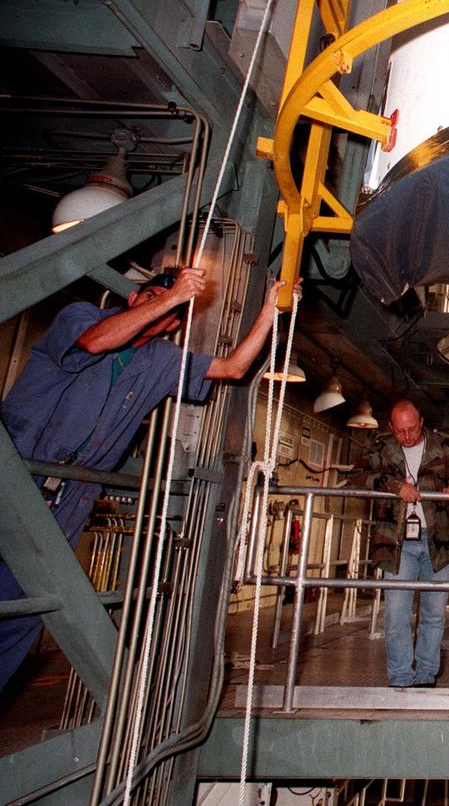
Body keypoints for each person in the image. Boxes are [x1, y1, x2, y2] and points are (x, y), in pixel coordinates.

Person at [0, 267, 286, 694]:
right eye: (152, 299)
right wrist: (170, 299)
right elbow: (97, 341)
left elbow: (233, 368)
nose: (162, 316)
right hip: (12, 481)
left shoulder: (162, 360)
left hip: (66, 503)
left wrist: (271, 310)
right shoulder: (81, 317)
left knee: (24, 610)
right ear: (135, 298)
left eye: (173, 316)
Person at [365, 399, 449, 689]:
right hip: (396, 542)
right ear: (391, 428)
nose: (408, 437)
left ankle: (426, 676)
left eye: (412, 429)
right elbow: (359, 478)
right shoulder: (379, 448)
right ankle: (400, 677)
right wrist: (394, 486)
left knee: (434, 614)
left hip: (439, 542)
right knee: (396, 615)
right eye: (401, 432)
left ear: (421, 422)